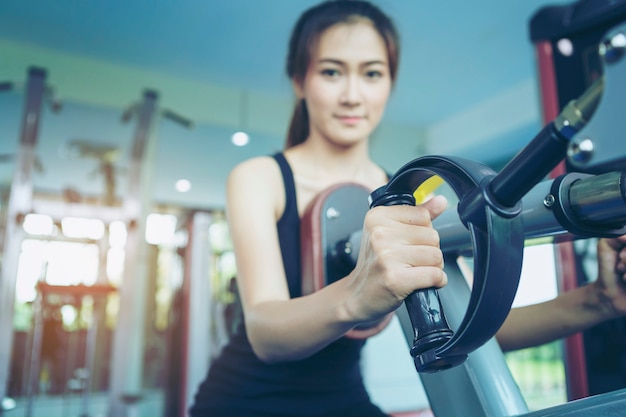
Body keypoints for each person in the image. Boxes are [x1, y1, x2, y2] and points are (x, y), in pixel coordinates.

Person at [189, 1, 626, 416]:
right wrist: (358, 292)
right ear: (300, 81)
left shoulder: (399, 192)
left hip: (341, 400)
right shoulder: (260, 177)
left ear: (390, 84)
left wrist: (599, 300)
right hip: (245, 401)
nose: (353, 95)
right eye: (331, 72)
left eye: (372, 74)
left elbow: (474, 322)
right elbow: (265, 331)